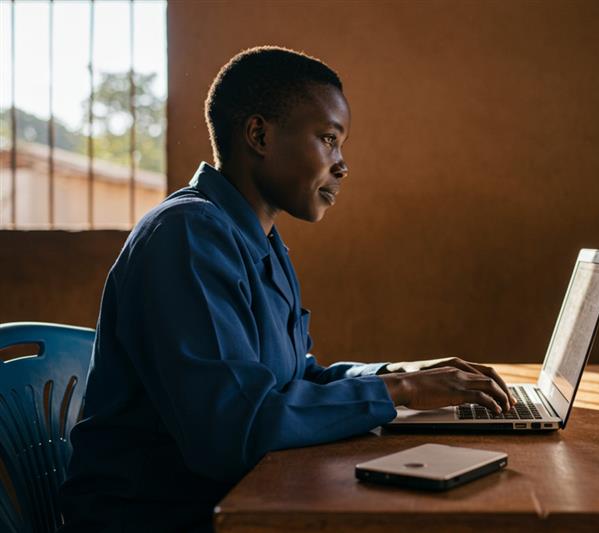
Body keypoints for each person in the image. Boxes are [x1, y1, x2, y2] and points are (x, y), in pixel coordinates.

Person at [59, 46, 514, 532]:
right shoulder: (187, 236)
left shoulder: (259, 241)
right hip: (160, 520)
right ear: (259, 135)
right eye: (328, 139)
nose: (342, 165)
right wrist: (398, 389)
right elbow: (233, 431)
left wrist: (398, 373)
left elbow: (296, 378)